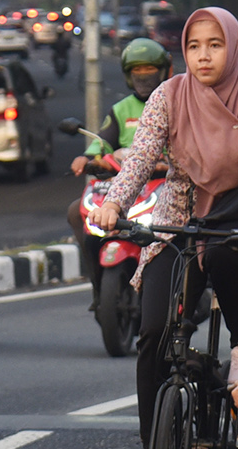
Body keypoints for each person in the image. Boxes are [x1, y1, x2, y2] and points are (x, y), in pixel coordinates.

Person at [95, 7, 238, 449]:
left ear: (234, 47)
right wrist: (115, 200)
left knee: (225, 259)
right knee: (154, 332)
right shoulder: (169, 95)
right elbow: (139, 156)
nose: (204, 55)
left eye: (215, 44)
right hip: (178, 215)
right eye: (195, 45)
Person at [67, 36, 171, 302]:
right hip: (127, 185)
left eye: (149, 69)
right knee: (77, 212)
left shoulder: (174, 102)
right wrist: (86, 159)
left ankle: (186, 288)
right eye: (137, 69)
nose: (143, 75)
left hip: (167, 184)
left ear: (163, 71)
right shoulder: (120, 109)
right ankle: (97, 284)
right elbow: (101, 145)